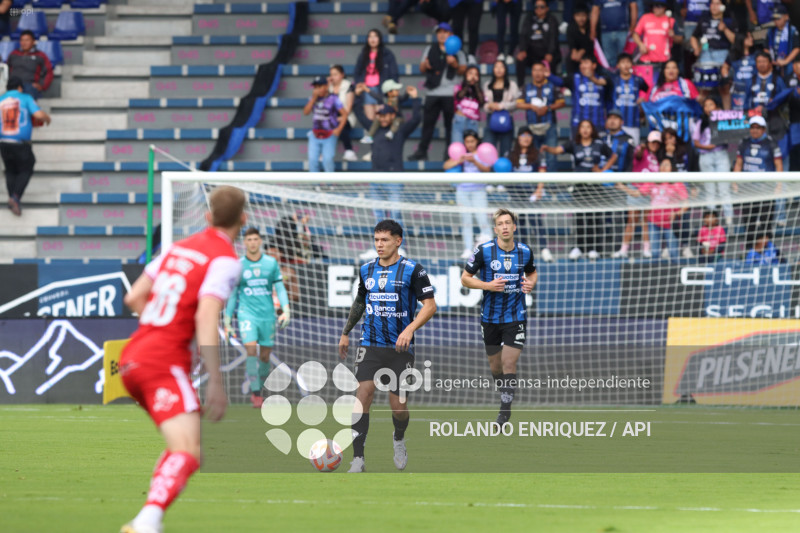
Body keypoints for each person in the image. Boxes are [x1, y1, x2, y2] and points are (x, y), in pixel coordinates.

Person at [118, 186, 246, 533]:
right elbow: (207, 317)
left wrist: (161, 326)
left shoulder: (176, 248)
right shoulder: (225, 260)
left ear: (207, 217)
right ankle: (147, 521)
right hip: (162, 361)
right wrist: (217, 383)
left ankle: (150, 519)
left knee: (184, 448)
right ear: (244, 220)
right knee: (190, 451)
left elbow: (133, 297)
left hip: (132, 357)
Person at [338, 220, 437, 473]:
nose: (379, 244)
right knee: (363, 395)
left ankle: (399, 437)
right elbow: (360, 301)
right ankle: (358, 458)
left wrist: (409, 329)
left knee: (399, 407)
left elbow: (430, 306)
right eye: (376, 239)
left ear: (398, 241)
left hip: (400, 349)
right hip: (370, 343)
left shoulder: (413, 270)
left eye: (384, 240)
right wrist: (346, 332)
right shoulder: (366, 270)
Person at [461, 208, 537, 426]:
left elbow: (532, 272)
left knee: (508, 363)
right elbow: (465, 279)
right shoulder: (483, 251)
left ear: (514, 227)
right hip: (490, 317)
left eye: (508, 223)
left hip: (516, 315)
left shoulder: (524, 251)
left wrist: (531, 282)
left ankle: (504, 412)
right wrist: (487, 286)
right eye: (500, 224)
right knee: (496, 367)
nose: (504, 227)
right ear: (495, 229)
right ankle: (505, 392)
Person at [224, 227, 290, 408]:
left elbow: (281, 288)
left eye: (255, 239)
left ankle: (259, 387)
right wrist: (227, 321)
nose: (252, 242)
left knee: (265, 356)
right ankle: (256, 394)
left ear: (260, 241)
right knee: (251, 351)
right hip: (247, 315)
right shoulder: (238, 266)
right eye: (249, 239)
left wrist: (286, 309)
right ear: (244, 243)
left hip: (267, 316)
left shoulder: (270, 263)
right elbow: (232, 295)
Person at [541, 119, 617, 260]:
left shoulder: (599, 144)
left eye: (588, 127)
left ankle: (594, 249)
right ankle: (578, 248)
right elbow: (557, 150)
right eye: (583, 127)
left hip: (595, 186)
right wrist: (547, 148)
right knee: (580, 218)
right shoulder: (574, 144)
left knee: (594, 218)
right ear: (579, 130)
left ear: (592, 129)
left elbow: (613, 156)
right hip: (579, 186)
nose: (585, 129)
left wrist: (602, 171)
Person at [366, 88, 422, 238]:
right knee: (378, 217)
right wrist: (359, 95)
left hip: (394, 179)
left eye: (386, 115)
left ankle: (399, 248)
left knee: (395, 216)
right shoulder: (374, 131)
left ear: (393, 115)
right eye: (380, 115)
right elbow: (359, 114)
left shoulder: (399, 131)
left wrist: (415, 99)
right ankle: (380, 249)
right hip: (375, 179)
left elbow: (416, 119)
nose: (383, 118)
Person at [408, 23, 467, 161]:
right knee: (428, 124)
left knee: (449, 126)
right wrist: (425, 65)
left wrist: (455, 64)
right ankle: (422, 152)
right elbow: (422, 68)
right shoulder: (430, 49)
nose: (441, 34)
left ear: (451, 35)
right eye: (439, 32)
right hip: (433, 92)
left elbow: (463, 70)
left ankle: (449, 154)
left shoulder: (459, 51)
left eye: (445, 32)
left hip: (451, 93)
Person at [0, 76, 51, 217]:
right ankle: (15, 198)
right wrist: (48, 118)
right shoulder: (25, 97)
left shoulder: (1, 99)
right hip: (20, 143)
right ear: (20, 87)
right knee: (27, 167)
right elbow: (38, 114)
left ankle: (13, 199)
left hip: (3, 142)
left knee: (10, 170)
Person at [506, 126, 554, 262]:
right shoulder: (510, 153)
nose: (526, 138)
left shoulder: (537, 153)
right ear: (518, 138)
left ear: (532, 138)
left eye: (528, 135)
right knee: (518, 224)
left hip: (531, 192)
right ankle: (521, 252)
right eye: (523, 135)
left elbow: (542, 171)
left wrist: (539, 189)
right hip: (516, 192)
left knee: (535, 221)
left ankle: (544, 249)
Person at [733, 115, 783, 247]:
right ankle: (750, 251)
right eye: (752, 127)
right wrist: (734, 181)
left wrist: (778, 185)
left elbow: (779, 165)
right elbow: (739, 163)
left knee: (766, 222)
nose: (754, 130)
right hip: (748, 191)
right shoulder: (744, 143)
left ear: (764, 129)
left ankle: (767, 251)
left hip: (766, 191)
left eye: (758, 127)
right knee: (748, 223)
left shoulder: (771, 143)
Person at [444, 129, 494, 258]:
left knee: (482, 219)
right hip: (462, 190)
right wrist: (458, 161)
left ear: (477, 141)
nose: (470, 144)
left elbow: (487, 169)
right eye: (467, 141)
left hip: (479, 190)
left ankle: (488, 248)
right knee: (466, 221)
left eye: (472, 141)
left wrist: (475, 161)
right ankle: (467, 248)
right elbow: (446, 165)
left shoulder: (482, 153)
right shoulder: (461, 154)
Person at [613, 130, 660, 259]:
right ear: (648, 142)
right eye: (653, 142)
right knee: (632, 220)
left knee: (645, 221)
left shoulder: (656, 158)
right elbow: (638, 155)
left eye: (657, 143)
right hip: (635, 187)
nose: (655, 145)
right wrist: (642, 148)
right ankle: (623, 250)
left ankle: (646, 249)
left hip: (648, 192)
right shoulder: (641, 150)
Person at [517, 61, 565, 171]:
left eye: (540, 70)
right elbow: (518, 104)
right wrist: (531, 106)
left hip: (549, 126)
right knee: (534, 157)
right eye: (535, 70)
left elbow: (562, 102)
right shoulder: (526, 87)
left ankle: (552, 186)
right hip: (532, 127)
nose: (537, 73)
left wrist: (547, 108)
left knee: (551, 157)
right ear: (532, 72)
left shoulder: (552, 86)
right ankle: (535, 186)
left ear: (545, 71)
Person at [693, 96, 733, 226]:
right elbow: (696, 142)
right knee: (710, 190)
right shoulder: (701, 122)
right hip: (705, 157)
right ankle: (711, 220)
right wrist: (708, 146)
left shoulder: (723, 121)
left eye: (711, 104)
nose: (709, 108)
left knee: (724, 188)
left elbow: (732, 134)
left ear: (717, 106)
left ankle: (729, 219)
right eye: (706, 106)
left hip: (721, 155)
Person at [353, 29, 398, 144]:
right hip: (367, 90)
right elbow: (357, 72)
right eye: (370, 36)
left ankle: (382, 145)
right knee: (371, 121)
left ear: (380, 38)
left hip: (381, 90)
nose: (372, 39)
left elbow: (394, 73)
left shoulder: (387, 54)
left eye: (375, 36)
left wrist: (391, 89)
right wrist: (359, 84)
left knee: (382, 118)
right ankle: (375, 147)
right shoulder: (363, 54)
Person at [640, 159, 688, 260]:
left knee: (674, 253)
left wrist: (677, 213)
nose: (664, 167)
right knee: (655, 253)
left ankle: (676, 273)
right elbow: (638, 193)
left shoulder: (677, 183)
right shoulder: (653, 181)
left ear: (672, 168)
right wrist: (622, 187)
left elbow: (686, 204)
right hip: (653, 221)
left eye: (667, 165)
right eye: (662, 164)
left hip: (670, 223)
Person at [689, 0, 737, 97]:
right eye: (712, 4)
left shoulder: (729, 21)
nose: (714, 6)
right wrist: (696, 49)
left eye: (717, 4)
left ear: (723, 6)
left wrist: (725, 29)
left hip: (723, 55)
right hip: (705, 55)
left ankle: (726, 112)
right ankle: (702, 110)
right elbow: (693, 37)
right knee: (704, 87)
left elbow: (735, 41)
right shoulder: (704, 20)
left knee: (724, 88)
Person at [303, 76, 347, 173]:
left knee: (327, 160)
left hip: (329, 134)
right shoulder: (312, 99)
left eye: (320, 86)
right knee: (312, 160)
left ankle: (330, 184)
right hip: (315, 134)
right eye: (315, 87)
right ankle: (315, 185)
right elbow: (305, 112)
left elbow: (344, 115)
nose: (317, 89)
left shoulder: (334, 98)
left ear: (326, 86)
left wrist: (339, 130)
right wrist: (314, 98)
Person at [516, 0, 561, 88]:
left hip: (547, 53)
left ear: (547, 8)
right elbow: (523, 35)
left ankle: (553, 87)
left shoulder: (552, 19)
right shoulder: (529, 18)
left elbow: (553, 38)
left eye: (542, 7)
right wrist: (523, 50)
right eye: (536, 7)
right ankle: (520, 87)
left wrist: (550, 52)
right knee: (520, 59)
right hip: (532, 54)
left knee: (552, 60)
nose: (539, 9)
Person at [359, 78, 408, 160]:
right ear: (389, 92)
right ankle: (369, 136)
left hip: (397, 118)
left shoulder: (397, 98)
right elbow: (374, 95)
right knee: (376, 120)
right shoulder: (384, 99)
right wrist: (366, 89)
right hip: (386, 120)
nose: (398, 91)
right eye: (396, 90)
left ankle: (391, 132)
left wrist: (407, 93)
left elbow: (404, 98)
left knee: (397, 121)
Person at [610, 53, 650, 145]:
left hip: (633, 124)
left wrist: (644, 99)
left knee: (633, 152)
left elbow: (650, 92)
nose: (626, 65)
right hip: (616, 126)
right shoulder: (612, 81)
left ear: (632, 64)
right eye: (623, 62)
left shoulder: (638, 80)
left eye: (628, 62)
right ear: (618, 65)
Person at [483, 60, 520, 157]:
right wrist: (489, 106)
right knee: (488, 150)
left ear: (506, 70)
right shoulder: (487, 85)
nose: (499, 69)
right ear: (493, 70)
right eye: (496, 67)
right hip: (491, 118)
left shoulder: (512, 85)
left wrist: (502, 106)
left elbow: (517, 103)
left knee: (506, 150)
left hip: (506, 118)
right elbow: (484, 103)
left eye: (501, 67)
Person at [564, 56, 611, 134]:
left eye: (585, 63)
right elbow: (559, 82)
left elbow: (603, 84)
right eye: (581, 63)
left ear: (594, 65)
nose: (582, 66)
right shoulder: (574, 78)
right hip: (578, 123)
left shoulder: (605, 78)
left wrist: (591, 77)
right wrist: (548, 75)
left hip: (598, 123)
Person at [6, 30, 53, 100]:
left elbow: (48, 72)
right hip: (13, 86)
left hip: (29, 85)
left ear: (33, 42)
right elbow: (6, 69)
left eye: (27, 40)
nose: (24, 43)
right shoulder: (14, 54)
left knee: (27, 99)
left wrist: (42, 85)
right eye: (22, 40)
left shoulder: (40, 55)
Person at [633, 0, 682, 67]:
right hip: (646, 59)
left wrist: (673, 36)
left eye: (660, 6)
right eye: (655, 6)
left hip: (664, 60)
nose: (656, 8)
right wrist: (640, 44)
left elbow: (680, 40)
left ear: (665, 7)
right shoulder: (645, 18)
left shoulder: (670, 20)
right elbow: (635, 34)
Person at [590, 0, 638, 68]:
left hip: (623, 31)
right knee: (609, 60)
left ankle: (625, 77)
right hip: (606, 32)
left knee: (625, 58)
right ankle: (612, 77)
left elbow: (633, 6)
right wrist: (592, 29)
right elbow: (595, 12)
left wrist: (633, 25)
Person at [329, 65, 357, 162]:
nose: (333, 77)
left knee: (341, 123)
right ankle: (323, 153)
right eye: (331, 74)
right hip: (330, 118)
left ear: (342, 75)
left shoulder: (349, 86)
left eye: (335, 74)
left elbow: (348, 107)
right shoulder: (327, 87)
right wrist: (326, 85)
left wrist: (341, 118)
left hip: (346, 117)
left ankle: (349, 151)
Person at [721, 33, 756, 110]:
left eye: (751, 37)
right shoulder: (733, 55)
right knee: (738, 112)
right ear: (741, 40)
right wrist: (727, 77)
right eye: (748, 37)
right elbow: (724, 67)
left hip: (754, 87)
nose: (751, 39)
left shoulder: (756, 54)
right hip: (738, 88)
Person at [452, 65, 484, 144]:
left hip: (473, 122)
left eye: (476, 74)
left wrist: (476, 86)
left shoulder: (479, 91)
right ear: (465, 75)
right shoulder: (458, 87)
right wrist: (468, 84)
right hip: (460, 120)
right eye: (470, 73)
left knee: (471, 148)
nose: (473, 76)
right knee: (457, 145)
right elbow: (459, 96)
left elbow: (482, 102)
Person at [766, 6, 800, 78]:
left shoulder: (792, 29)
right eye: (774, 19)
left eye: (778, 18)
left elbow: (797, 47)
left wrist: (786, 61)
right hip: (773, 65)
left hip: (789, 65)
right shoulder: (770, 30)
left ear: (786, 17)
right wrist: (770, 60)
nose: (776, 21)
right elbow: (766, 47)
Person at [566, 5, 595, 77]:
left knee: (591, 60)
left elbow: (591, 43)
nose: (581, 19)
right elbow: (572, 44)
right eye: (578, 16)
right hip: (577, 53)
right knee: (570, 58)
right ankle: (571, 80)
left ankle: (593, 79)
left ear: (587, 16)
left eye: (583, 16)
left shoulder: (591, 26)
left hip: (589, 53)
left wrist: (581, 52)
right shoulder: (571, 27)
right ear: (574, 16)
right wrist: (574, 52)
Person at [451, 0, 483, 65]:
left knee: (473, 27)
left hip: (475, 2)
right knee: (457, 27)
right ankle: (459, 54)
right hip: (457, 2)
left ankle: (472, 55)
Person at [495, 0, 522, 65]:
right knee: (501, 28)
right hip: (501, 2)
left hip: (515, 2)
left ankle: (511, 54)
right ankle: (500, 52)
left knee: (514, 28)